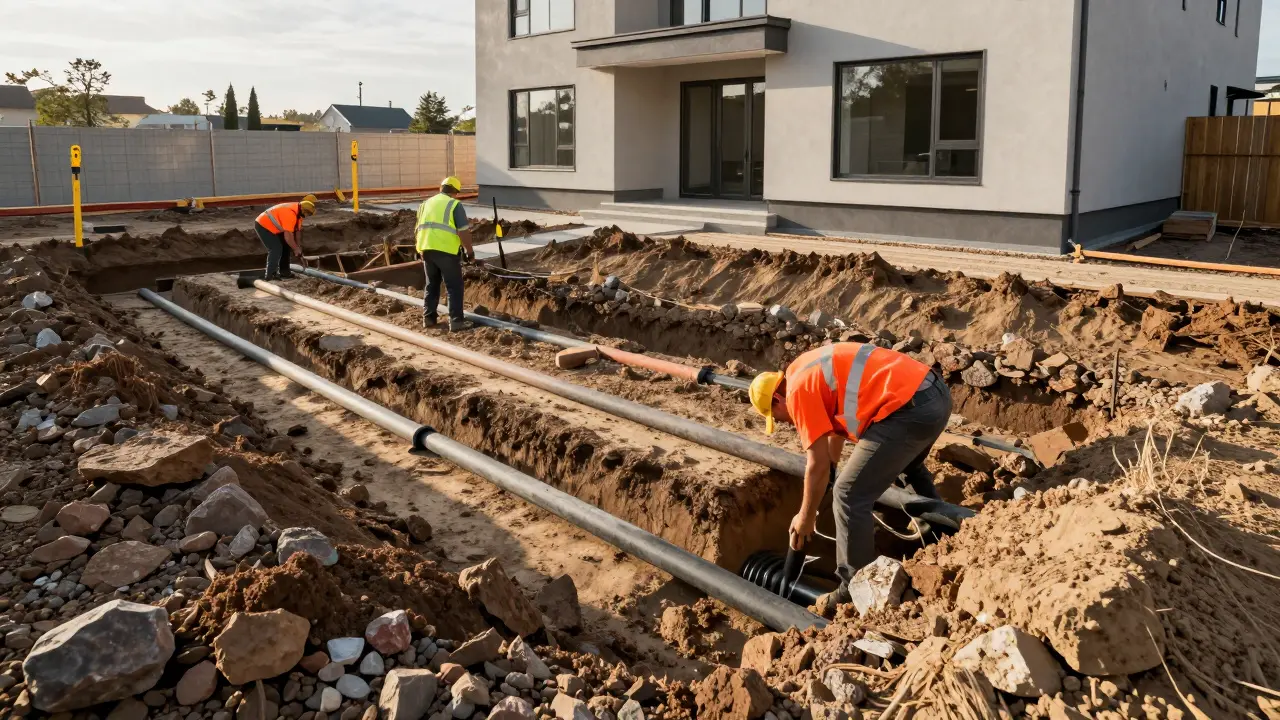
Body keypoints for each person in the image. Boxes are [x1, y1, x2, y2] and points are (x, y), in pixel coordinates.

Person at [749, 342, 952, 609]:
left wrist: (806, 517)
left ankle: (854, 584)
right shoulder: (804, 369)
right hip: (934, 395)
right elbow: (833, 430)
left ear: (777, 400)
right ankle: (943, 533)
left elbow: (816, 465)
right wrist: (833, 466)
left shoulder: (798, 393)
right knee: (908, 467)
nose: (786, 423)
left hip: (908, 409)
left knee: (848, 494)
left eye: (778, 417)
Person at [416, 176, 475, 332]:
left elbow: (418, 229)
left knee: (431, 285)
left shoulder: (424, 204)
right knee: (454, 286)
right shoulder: (454, 204)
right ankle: (456, 322)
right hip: (447, 252)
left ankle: (428, 318)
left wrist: (420, 249)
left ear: (441, 188)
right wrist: (470, 252)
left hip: (426, 250)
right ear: (455, 192)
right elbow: (463, 231)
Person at [255, 199, 316, 280]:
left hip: (275, 227)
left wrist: (298, 246)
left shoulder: (299, 214)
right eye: (308, 214)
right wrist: (295, 249)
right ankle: (271, 275)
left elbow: (297, 231)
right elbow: (288, 236)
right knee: (276, 248)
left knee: (286, 246)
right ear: (304, 210)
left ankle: (285, 272)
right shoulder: (290, 214)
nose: (308, 216)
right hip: (263, 225)